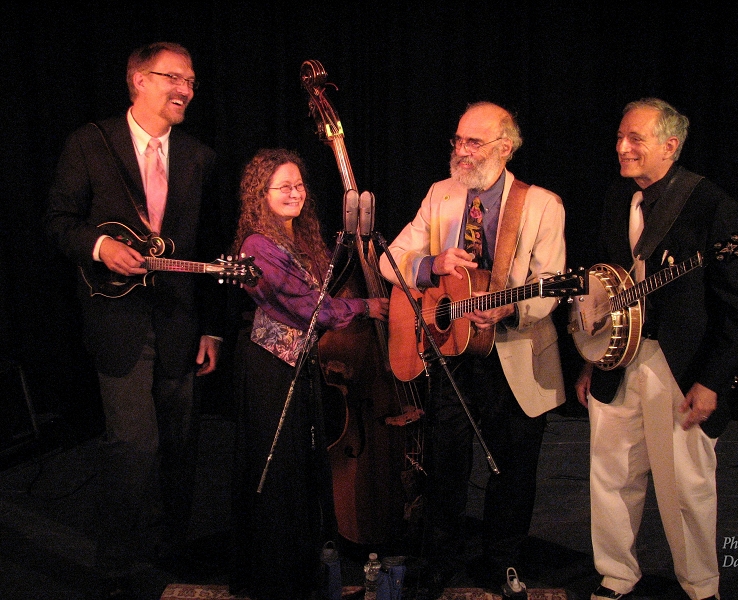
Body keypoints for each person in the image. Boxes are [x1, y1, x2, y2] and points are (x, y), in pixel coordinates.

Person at [44, 42, 227, 597]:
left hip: (179, 322)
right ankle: (117, 566)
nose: (187, 90)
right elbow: (58, 221)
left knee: (180, 442)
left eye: (192, 81)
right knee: (134, 444)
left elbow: (216, 251)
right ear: (138, 81)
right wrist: (99, 246)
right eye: (175, 78)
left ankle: (172, 549)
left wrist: (213, 327)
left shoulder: (200, 157)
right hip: (117, 324)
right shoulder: (90, 144)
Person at [379, 101, 567, 597]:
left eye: (473, 142)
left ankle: (502, 559)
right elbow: (388, 260)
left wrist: (509, 309)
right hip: (453, 351)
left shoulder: (542, 204)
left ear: (505, 147)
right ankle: (439, 559)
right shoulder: (440, 195)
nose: (461, 151)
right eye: (457, 140)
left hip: (516, 351)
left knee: (513, 463)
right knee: (446, 460)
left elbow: (549, 285)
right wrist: (432, 264)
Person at [574, 98, 738, 600]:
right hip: (618, 358)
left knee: (685, 486)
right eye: (619, 137)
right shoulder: (617, 197)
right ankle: (615, 574)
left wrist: (712, 379)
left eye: (635, 139)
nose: (622, 147)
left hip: (680, 365)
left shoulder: (712, 205)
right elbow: (605, 284)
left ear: (670, 146)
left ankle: (701, 585)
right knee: (610, 474)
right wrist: (594, 359)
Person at [227, 148, 389, 600]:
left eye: (299, 185)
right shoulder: (256, 245)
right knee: (276, 472)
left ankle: (303, 568)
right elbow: (306, 309)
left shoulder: (302, 236)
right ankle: (274, 576)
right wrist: (364, 305)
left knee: (299, 469)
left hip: (299, 364)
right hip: (269, 369)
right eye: (283, 187)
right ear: (261, 194)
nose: (294, 193)